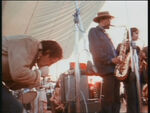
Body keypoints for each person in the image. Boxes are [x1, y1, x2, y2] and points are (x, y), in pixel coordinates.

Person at [2, 35, 63, 113]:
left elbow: (12, 84)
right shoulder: (30, 43)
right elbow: (18, 74)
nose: (48, 66)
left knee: (14, 107)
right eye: (51, 61)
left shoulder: (31, 58)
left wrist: (32, 83)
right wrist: (39, 73)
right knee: (13, 107)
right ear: (47, 53)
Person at [88, 11, 122, 113]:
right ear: (102, 20)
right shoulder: (94, 31)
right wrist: (111, 60)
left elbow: (111, 53)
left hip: (114, 70)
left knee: (116, 98)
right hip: (106, 69)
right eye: (109, 20)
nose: (110, 22)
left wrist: (119, 52)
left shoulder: (105, 34)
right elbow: (96, 51)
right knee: (109, 99)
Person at [117, 27, 141, 113]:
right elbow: (119, 58)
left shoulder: (137, 47)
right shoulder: (122, 45)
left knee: (138, 98)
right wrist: (127, 48)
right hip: (128, 75)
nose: (138, 35)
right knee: (131, 98)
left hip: (136, 76)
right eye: (136, 33)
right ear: (130, 35)